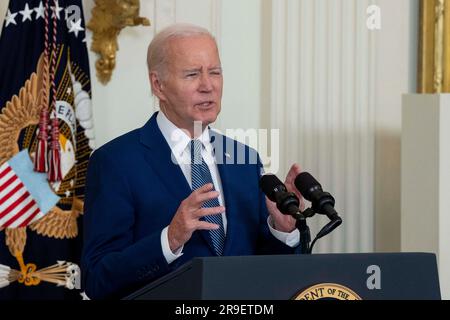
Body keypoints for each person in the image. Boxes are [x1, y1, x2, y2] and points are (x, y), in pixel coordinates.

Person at [81, 23, 304, 299]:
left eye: (215, 72)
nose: (207, 86)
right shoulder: (115, 162)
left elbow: (266, 269)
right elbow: (97, 278)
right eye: (192, 74)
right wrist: (169, 239)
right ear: (158, 85)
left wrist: (282, 230)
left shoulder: (245, 160)